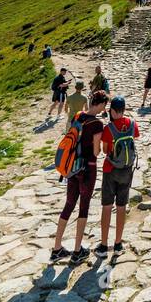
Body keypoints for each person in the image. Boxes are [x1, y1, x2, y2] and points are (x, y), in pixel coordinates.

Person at [51, 90, 108, 265]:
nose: (104, 109)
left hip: (72, 168)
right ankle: (77, 251)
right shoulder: (97, 124)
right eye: (104, 105)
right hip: (88, 169)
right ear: (99, 104)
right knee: (83, 208)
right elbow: (96, 151)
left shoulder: (78, 116)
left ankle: (57, 248)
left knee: (69, 204)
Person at [96, 96, 138, 257]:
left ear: (112, 111)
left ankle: (104, 245)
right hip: (127, 170)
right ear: (124, 109)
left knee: (107, 206)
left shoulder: (108, 129)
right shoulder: (132, 124)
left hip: (110, 170)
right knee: (121, 207)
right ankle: (118, 243)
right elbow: (135, 138)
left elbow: (106, 151)